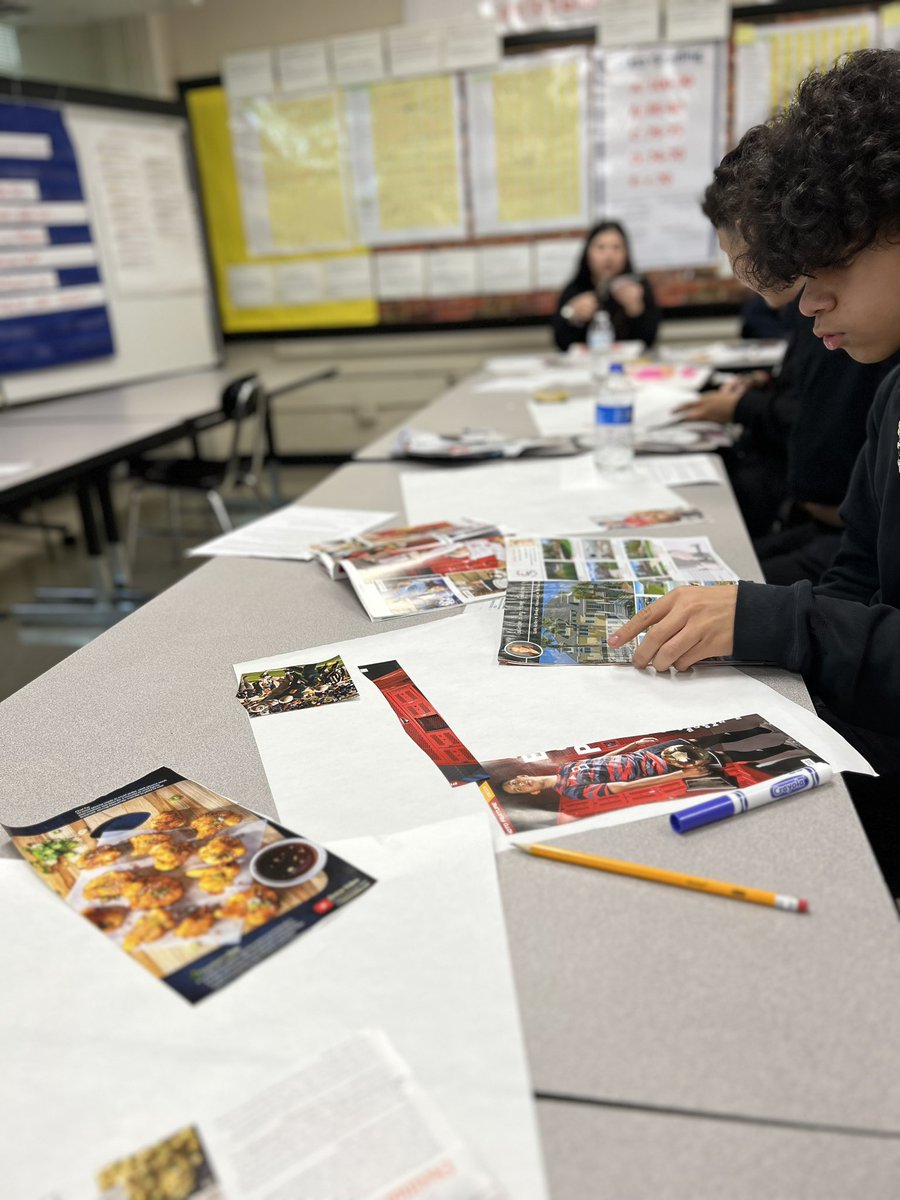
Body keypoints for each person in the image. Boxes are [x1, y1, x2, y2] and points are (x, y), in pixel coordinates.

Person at [607, 49, 900, 779]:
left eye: (830, 260)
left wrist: (771, 621)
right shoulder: (893, 393)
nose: (807, 304)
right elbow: (855, 575)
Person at [676, 292, 899, 570]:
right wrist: (766, 382)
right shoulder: (887, 388)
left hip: (834, 529)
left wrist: (743, 406)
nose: (808, 304)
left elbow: (815, 415)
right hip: (827, 527)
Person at [552, 220, 661, 352]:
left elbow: (649, 341)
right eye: (601, 248)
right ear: (588, 253)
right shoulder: (575, 289)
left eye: (616, 248)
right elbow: (561, 343)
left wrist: (636, 310)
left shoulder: (638, 287)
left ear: (626, 253)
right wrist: (571, 314)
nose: (609, 256)